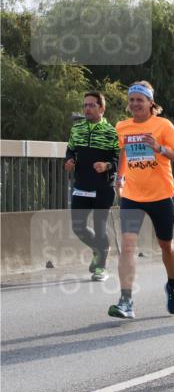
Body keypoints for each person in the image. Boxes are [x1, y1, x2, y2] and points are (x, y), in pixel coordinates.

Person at [109, 81, 174, 319]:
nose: (134, 104)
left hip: (161, 195)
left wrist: (160, 148)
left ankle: (172, 286)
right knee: (128, 245)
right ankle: (126, 300)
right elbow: (122, 151)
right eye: (131, 100)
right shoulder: (122, 126)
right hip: (132, 196)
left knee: (166, 245)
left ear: (150, 103)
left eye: (139, 100)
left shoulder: (162, 125)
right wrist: (119, 176)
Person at [65, 91, 119, 282]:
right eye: (85, 105)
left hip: (103, 187)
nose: (87, 108)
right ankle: (99, 248)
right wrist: (69, 160)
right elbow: (70, 149)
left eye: (91, 105)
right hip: (81, 185)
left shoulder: (112, 132)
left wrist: (107, 166)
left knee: (99, 225)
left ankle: (101, 267)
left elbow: (119, 159)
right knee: (78, 227)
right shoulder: (77, 129)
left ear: (102, 108)